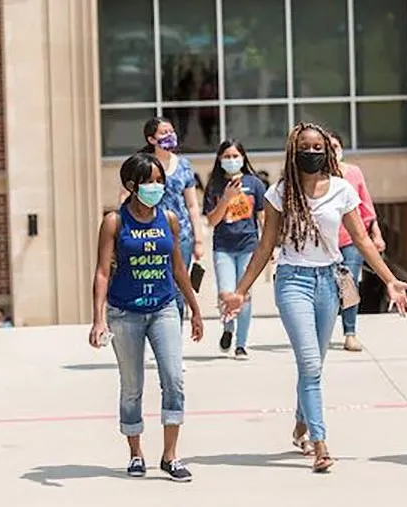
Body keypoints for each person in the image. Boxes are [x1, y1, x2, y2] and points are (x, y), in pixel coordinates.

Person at [219, 122, 407, 473]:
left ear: (327, 151)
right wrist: (240, 290)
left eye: (317, 147)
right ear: (293, 153)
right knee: (310, 363)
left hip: (329, 281)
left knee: (315, 364)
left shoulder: (341, 190)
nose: (312, 153)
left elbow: (361, 240)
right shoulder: (280, 193)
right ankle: (320, 442)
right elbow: (265, 247)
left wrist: (390, 279)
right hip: (293, 281)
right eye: (305, 148)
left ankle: (301, 421)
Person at [89, 151, 204, 481]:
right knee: (132, 385)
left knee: (174, 378)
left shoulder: (168, 218)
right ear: (131, 184)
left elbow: (179, 268)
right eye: (149, 181)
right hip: (125, 312)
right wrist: (98, 319)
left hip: (164, 308)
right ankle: (136, 453)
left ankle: (170, 456)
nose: (156, 186)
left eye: (159, 181)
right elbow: (101, 272)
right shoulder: (115, 221)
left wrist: (195, 309)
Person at [203, 139, 267, 359]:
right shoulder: (214, 186)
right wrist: (226, 199)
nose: (231, 160)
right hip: (223, 247)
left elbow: (262, 216)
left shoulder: (255, 183)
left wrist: (269, 247)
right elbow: (211, 221)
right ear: (220, 160)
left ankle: (241, 344)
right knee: (226, 293)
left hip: (248, 245)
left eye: (235, 156)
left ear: (243, 158)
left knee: (245, 295)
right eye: (227, 157)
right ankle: (228, 327)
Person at [140, 117, 205, 323]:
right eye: (163, 132)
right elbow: (126, 196)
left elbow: (192, 205)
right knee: (154, 282)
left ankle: (173, 333)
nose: (169, 136)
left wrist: (199, 239)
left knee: (178, 285)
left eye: (171, 131)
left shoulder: (184, 165)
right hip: (151, 233)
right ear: (151, 139)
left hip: (181, 235)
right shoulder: (144, 164)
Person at [329, 131, 386, 352]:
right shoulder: (319, 177)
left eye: (336, 146)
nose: (333, 150)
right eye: (329, 146)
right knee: (329, 287)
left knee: (349, 283)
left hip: (351, 240)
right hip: (326, 243)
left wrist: (376, 234)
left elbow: (366, 208)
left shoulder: (354, 173)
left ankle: (350, 332)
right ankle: (323, 327)